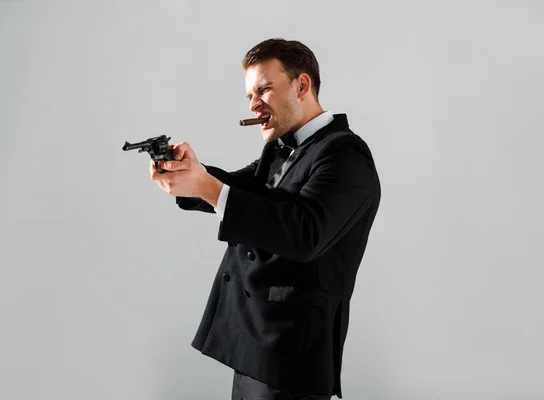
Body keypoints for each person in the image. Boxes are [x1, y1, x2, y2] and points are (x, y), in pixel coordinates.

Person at [150, 38, 381, 399]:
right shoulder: (280, 148)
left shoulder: (345, 155)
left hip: (291, 358)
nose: (254, 105)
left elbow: (304, 234)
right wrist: (189, 176)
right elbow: (243, 188)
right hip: (255, 347)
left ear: (302, 85)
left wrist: (208, 187)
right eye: (249, 96)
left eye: (264, 90)